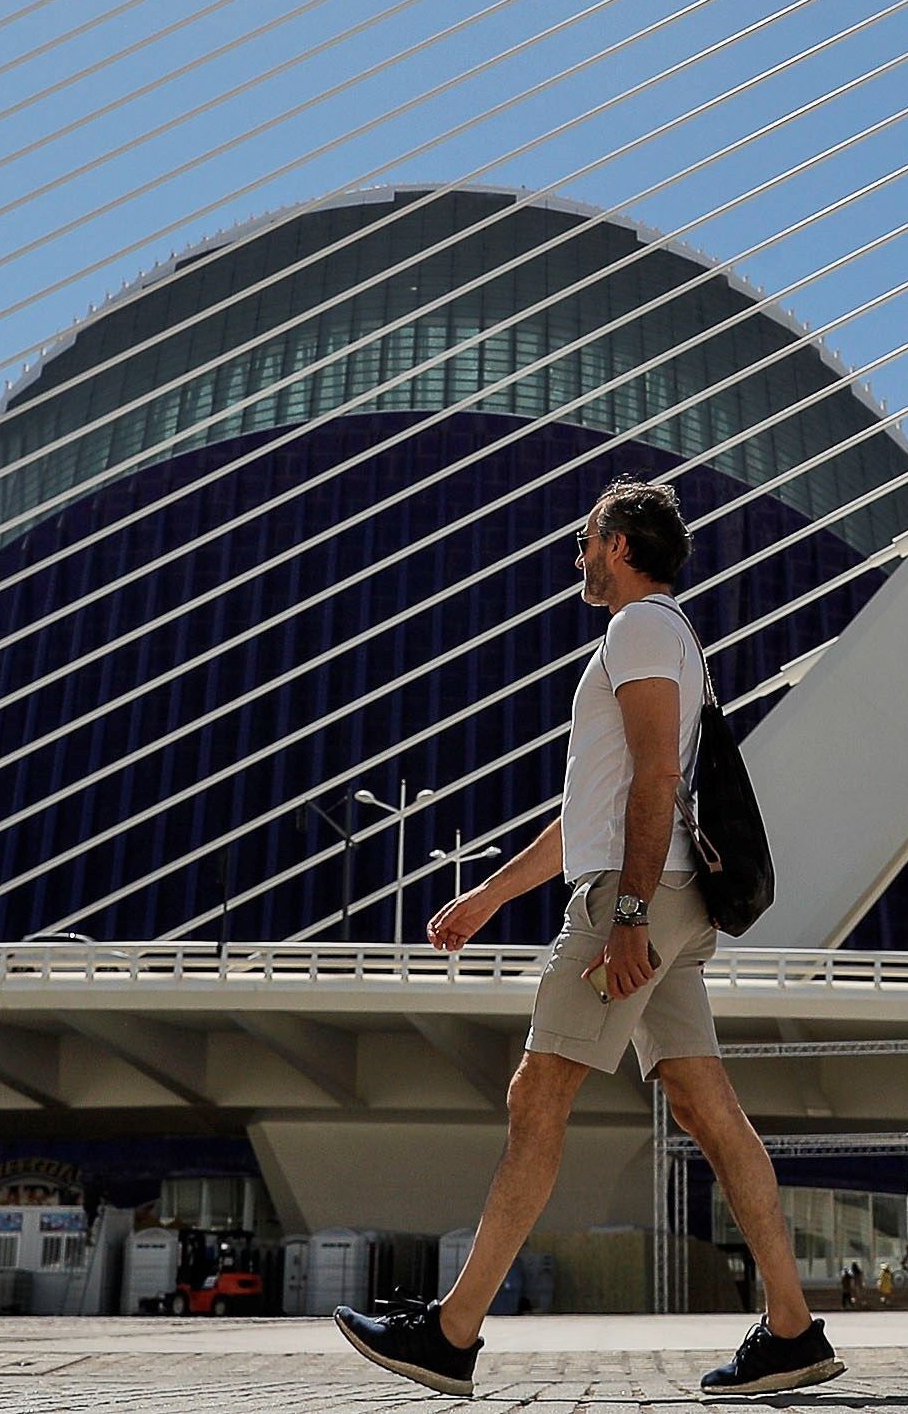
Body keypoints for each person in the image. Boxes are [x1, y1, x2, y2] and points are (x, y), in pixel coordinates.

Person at [339, 481, 840, 1399]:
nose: (577, 560)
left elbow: (653, 781)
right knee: (707, 1108)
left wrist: (629, 916)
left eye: (584, 543)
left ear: (617, 544)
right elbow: (598, 810)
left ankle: (451, 1333)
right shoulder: (659, 638)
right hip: (668, 890)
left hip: (637, 896)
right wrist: (489, 894)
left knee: (539, 1092)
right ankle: (793, 1328)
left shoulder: (640, 629)